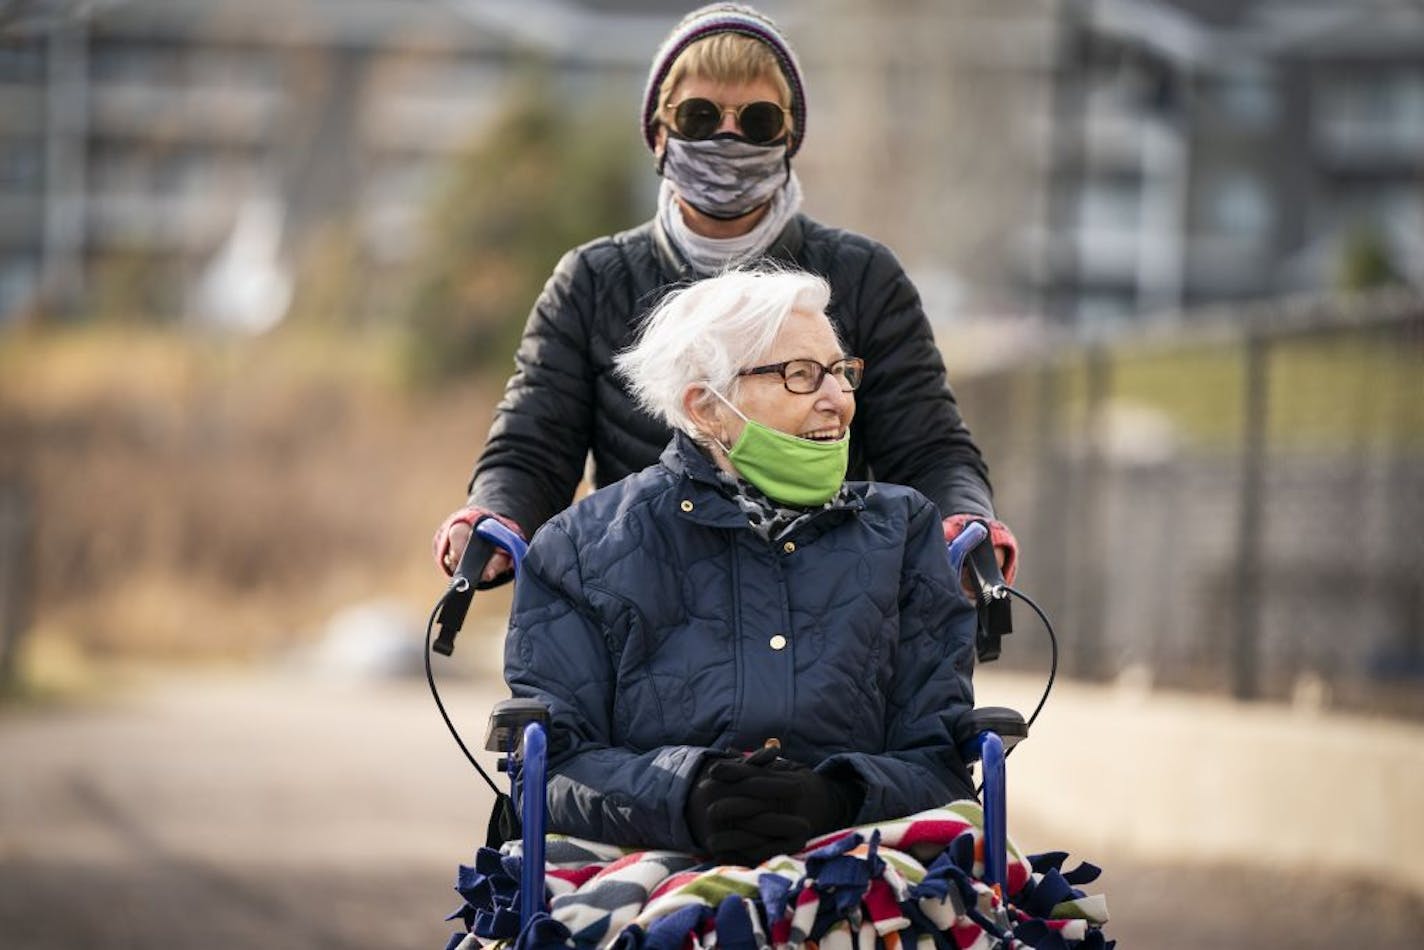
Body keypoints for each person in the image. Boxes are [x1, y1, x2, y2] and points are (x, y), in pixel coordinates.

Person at [432, 2, 1018, 591]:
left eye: (758, 121)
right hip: (640, 600)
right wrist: (495, 517)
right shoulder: (591, 280)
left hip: (823, 604)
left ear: (788, 138)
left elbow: (928, 447)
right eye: (699, 115)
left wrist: (963, 521)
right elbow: (533, 447)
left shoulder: (864, 277)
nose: (727, 137)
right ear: (659, 133)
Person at [503, 267, 978, 864]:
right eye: (801, 375)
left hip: (860, 860)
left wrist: (835, 796)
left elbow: (941, 760)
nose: (838, 400)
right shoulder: (578, 548)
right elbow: (552, 767)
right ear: (707, 408)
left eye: (840, 372)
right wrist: (686, 795)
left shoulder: (903, 533)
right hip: (646, 863)